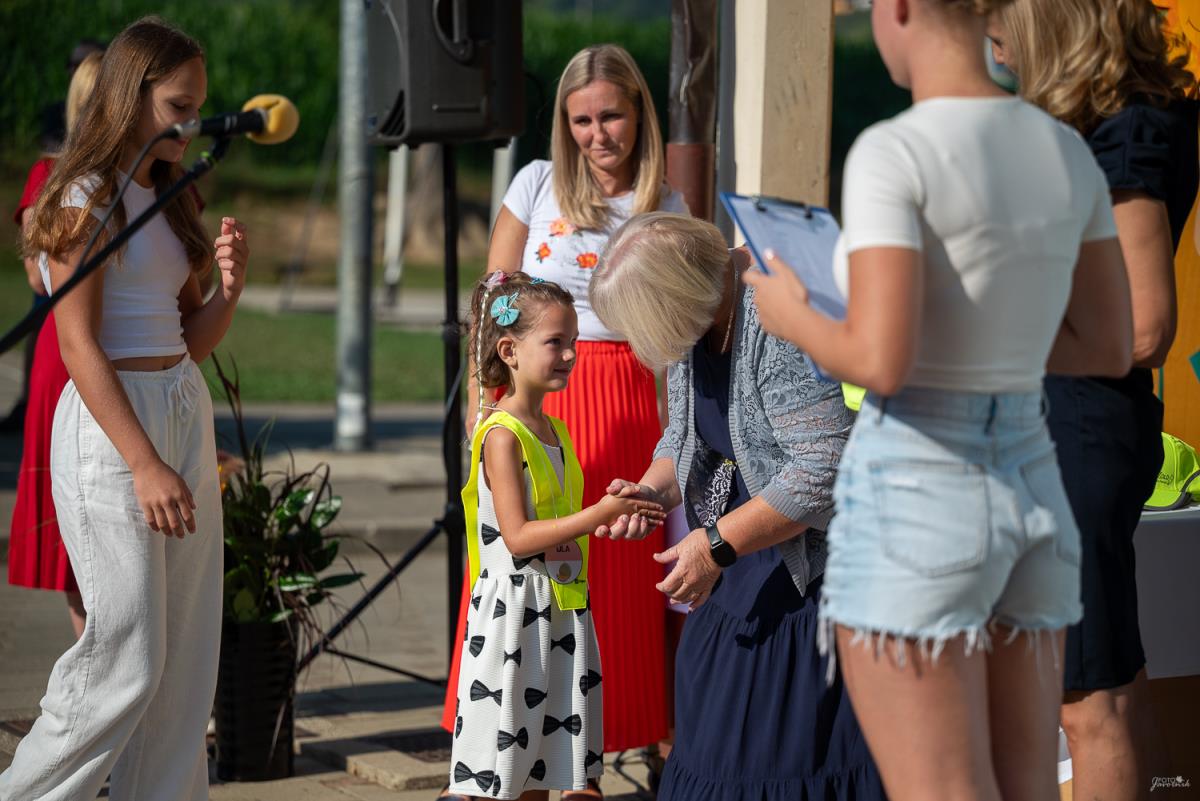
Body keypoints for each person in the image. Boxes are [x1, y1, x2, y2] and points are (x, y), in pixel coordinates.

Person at [744, 0, 1136, 798]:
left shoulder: (894, 150)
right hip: (1032, 486)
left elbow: (880, 361)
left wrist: (792, 315)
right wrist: (985, 337)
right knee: (1023, 784)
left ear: (900, 8)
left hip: (920, 488)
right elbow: (1108, 343)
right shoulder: (1065, 147)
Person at [0, 17, 250, 801]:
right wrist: (144, 462)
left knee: (184, 657)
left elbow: (190, 337)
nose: (193, 123)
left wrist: (228, 291)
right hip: (114, 428)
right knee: (127, 655)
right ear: (129, 96)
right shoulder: (85, 195)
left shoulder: (168, 193)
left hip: (179, 403)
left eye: (199, 106)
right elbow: (77, 344)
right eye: (179, 106)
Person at [442, 43, 688, 784]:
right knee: (522, 566)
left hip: (627, 396)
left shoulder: (666, 204)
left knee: (616, 580)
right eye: (581, 120)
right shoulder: (535, 182)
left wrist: (677, 434)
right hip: (536, 402)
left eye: (611, 116)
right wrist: (482, 404)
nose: (597, 134)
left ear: (639, 114)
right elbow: (493, 303)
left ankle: (603, 750)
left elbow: (678, 334)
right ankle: (506, 744)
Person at [586, 213, 885, 801]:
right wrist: (649, 493)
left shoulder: (772, 318)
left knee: (775, 755)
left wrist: (715, 544)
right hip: (738, 566)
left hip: (805, 578)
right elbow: (682, 439)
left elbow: (823, 468)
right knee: (712, 740)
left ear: (680, 296)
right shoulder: (699, 318)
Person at [988, 3, 1197, 798]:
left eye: (997, 18)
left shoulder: (1122, 126)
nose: (988, 34)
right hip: (1067, 427)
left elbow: (1145, 325)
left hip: (1076, 431)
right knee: (1111, 680)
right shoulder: (1099, 118)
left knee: (1086, 703)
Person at [447, 270, 665, 801]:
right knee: (502, 769)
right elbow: (519, 538)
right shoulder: (501, 436)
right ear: (510, 351)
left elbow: (558, 521)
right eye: (555, 342)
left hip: (558, 609)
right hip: (513, 619)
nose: (570, 354)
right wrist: (596, 514)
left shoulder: (556, 430)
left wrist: (612, 518)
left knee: (540, 766)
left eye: (574, 341)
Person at [7, 49, 103, 640]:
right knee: (71, 516)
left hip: (135, 354)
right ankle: (93, 656)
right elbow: (39, 279)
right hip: (68, 349)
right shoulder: (51, 176)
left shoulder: (158, 177)